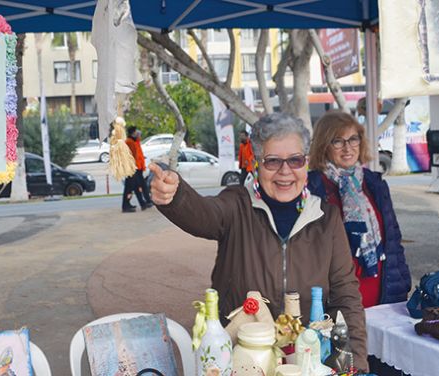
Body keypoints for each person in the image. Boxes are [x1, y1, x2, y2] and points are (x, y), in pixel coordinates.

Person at [149, 112, 368, 371]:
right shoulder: (236, 205)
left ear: (306, 163)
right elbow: (202, 215)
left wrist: (355, 364)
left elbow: (346, 297)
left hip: (307, 361)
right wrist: (175, 195)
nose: (285, 172)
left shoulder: (326, 217)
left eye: (295, 160)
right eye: (272, 161)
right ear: (256, 164)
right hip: (242, 358)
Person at [307, 111, 411, 309]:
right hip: (336, 295)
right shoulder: (312, 187)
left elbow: (393, 239)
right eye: (337, 141)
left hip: (382, 290)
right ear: (323, 145)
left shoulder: (375, 184)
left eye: (353, 139)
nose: (348, 148)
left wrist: (403, 283)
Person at [121, 126, 152, 213]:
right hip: (132, 168)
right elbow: (132, 155)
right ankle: (127, 206)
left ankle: (142, 203)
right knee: (129, 188)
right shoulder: (129, 142)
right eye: (135, 132)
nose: (137, 133)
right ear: (132, 133)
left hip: (135, 168)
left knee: (134, 187)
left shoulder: (133, 141)